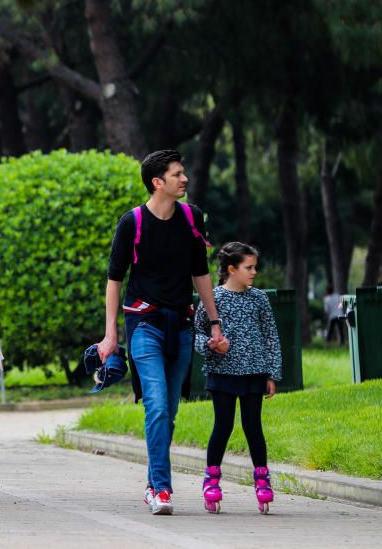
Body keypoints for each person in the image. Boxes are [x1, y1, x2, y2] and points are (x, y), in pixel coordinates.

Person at [97, 149, 223, 515]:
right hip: (144, 323)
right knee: (155, 404)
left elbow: (200, 273)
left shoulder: (191, 218)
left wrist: (214, 322)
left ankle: (153, 483)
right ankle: (162, 490)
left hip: (181, 324)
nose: (184, 179)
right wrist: (110, 336)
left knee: (169, 412)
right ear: (158, 182)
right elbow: (114, 280)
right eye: (178, 174)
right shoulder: (132, 223)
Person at [194, 242, 282, 514]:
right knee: (223, 425)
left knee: (253, 426)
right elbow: (195, 333)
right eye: (249, 267)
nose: (254, 272)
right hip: (222, 373)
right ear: (232, 269)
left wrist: (272, 373)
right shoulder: (214, 299)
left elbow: (271, 336)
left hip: (254, 373)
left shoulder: (259, 298)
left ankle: (262, 479)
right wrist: (210, 344)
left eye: (254, 266)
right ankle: (211, 480)